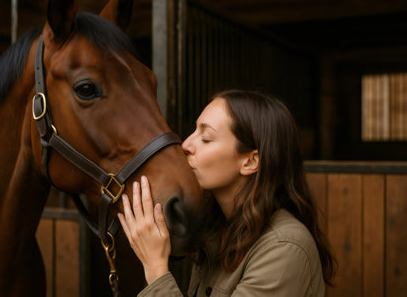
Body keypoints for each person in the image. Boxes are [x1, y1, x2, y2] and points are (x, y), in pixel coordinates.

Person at [117, 90, 336, 296]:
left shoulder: (284, 248)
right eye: (194, 132)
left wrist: (156, 267)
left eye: (206, 138)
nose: (185, 145)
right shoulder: (217, 230)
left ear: (250, 161)